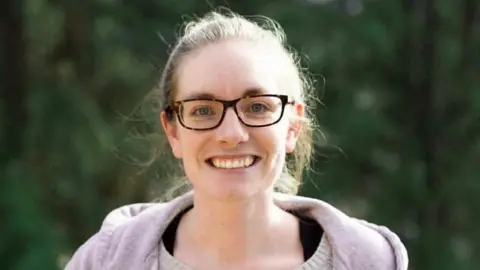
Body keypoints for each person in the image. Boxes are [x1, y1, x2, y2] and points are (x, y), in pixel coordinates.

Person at [65, 10, 408, 270]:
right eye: (203, 110)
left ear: (292, 126)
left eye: (257, 106)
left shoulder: (372, 262)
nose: (231, 134)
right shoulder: (104, 262)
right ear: (173, 131)